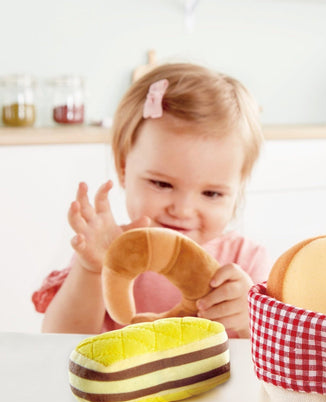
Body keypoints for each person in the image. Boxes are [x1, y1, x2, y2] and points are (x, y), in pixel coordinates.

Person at [32, 63, 271, 338]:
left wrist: (248, 319)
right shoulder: (108, 250)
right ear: (123, 169)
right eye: (162, 184)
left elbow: (273, 356)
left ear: (237, 190)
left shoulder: (246, 264)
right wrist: (91, 270)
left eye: (212, 193)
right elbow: (60, 339)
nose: (182, 210)